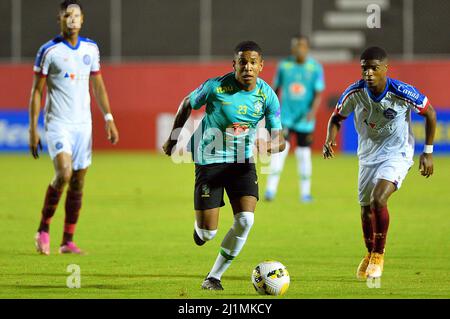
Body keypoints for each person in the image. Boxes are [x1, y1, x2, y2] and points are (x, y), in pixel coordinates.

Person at [162, 41, 285, 290]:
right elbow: (188, 103)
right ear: (234, 64)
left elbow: (280, 140)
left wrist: (268, 147)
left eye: (253, 62)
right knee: (208, 234)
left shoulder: (267, 96)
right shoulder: (216, 87)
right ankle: (201, 230)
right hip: (209, 160)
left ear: (261, 66)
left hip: (242, 162)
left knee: (245, 220)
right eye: (242, 62)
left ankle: (214, 277)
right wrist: (173, 138)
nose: (247, 67)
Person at [323, 46, 436, 279]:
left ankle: (379, 254)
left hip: (397, 154)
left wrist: (428, 152)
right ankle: (369, 253)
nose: (369, 73)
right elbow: (336, 118)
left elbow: (430, 113)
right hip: (367, 156)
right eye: (365, 68)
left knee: (378, 199)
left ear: (386, 69)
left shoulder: (402, 91)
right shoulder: (354, 93)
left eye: (375, 68)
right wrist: (329, 140)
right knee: (365, 209)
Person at [29, 0, 119, 255]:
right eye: (67, 14)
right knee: (64, 174)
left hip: (83, 126)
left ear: (83, 20)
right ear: (59, 18)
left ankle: (67, 240)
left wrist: (109, 117)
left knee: (78, 181)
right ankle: (43, 229)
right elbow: (37, 90)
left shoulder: (91, 48)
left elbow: (98, 85)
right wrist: (32, 129)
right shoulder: (49, 51)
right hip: (58, 123)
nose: (72, 19)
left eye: (76, 15)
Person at [264, 35, 324, 203]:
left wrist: (312, 111)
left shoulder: (315, 68)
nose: (299, 49)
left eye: (302, 46)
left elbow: (318, 92)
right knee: (280, 152)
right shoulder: (284, 66)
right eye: (296, 46)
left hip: (305, 120)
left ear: (307, 48)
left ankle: (305, 193)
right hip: (285, 118)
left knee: (304, 154)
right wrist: (271, 112)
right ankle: (270, 190)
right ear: (292, 48)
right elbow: (275, 89)